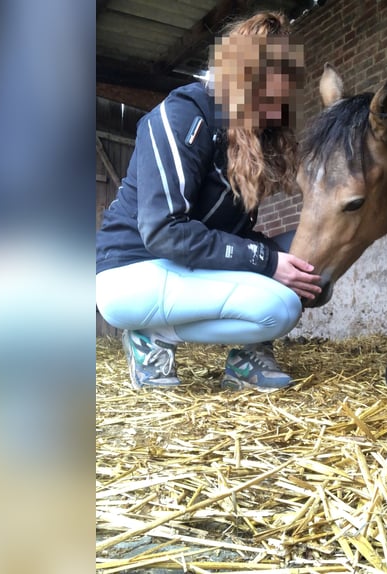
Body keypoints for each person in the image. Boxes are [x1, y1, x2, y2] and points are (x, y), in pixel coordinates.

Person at [96, 11, 321, 392]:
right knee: (278, 308)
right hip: (134, 271)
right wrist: (266, 261)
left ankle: (244, 356)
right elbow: (164, 231)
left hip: (187, 270)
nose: (277, 109)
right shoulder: (183, 115)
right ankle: (150, 337)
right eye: (268, 94)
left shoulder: (248, 137)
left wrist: (283, 256)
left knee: (307, 254)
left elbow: (228, 234)